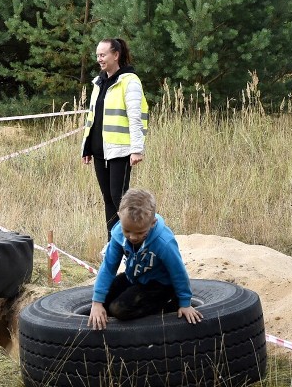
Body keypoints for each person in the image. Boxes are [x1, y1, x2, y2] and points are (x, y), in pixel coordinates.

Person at [88, 188, 203, 330]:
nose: (133, 237)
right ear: (119, 217)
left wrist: (185, 303)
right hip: (136, 277)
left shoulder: (163, 242)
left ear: (153, 223)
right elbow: (108, 267)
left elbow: (178, 272)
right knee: (100, 302)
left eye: (140, 232)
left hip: (161, 285)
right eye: (127, 231)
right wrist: (97, 303)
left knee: (118, 310)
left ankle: (167, 307)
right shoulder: (118, 235)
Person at [81, 38, 148, 248]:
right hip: (101, 150)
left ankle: (131, 243)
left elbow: (135, 117)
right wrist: (87, 147)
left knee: (120, 200)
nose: (99, 59)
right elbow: (93, 117)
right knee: (108, 199)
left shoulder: (130, 81)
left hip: (121, 150)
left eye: (103, 55)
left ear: (115, 55)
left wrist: (137, 149)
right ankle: (113, 243)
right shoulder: (98, 82)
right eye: (97, 55)